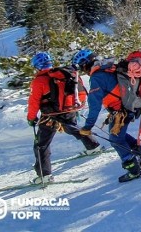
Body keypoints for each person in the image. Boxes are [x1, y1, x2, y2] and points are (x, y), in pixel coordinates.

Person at [73, 49, 141, 183]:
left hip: (121, 111)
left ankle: (134, 169)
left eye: (82, 68)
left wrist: (88, 126)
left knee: (115, 139)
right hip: (125, 107)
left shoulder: (97, 76)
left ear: (85, 64)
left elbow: (94, 106)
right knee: (115, 135)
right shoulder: (108, 68)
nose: (83, 71)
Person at [27, 51, 101, 184]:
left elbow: (34, 101)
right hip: (69, 109)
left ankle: (44, 175)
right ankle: (93, 145)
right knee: (71, 128)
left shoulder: (39, 80)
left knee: (41, 144)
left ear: (37, 66)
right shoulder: (63, 74)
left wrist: (31, 118)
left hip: (51, 115)